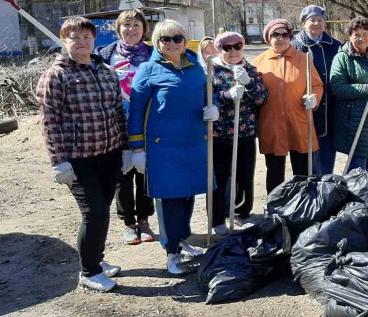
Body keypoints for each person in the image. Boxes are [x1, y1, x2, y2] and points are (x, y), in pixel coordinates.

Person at [37, 17, 128, 292]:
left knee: (103, 210)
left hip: (109, 154)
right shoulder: (56, 75)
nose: (82, 41)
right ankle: (89, 272)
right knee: (95, 213)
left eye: (87, 36)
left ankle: (96, 260)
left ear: (93, 39)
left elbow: (118, 113)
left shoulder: (106, 71)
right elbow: (49, 121)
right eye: (75, 37)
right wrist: (59, 161)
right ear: (64, 40)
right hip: (78, 159)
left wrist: (125, 149)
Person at [127, 19, 216, 275]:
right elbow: (136, 112)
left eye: (177, 38)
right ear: (157, 42)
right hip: (163, 148)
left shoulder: (196, 67)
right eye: (165, 39)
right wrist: (137, 149)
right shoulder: (148, 69)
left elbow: (208, 94)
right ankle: (172, 252)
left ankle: (183, 240)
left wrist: (214, 108)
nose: (172, 44)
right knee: (169, 200)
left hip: (193, 144)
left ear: (185, 40)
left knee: (188, 195)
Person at [96, 9, 156, 246]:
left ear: (144, 30)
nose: (131, 30)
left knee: (145, 174)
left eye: (136, 26)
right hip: (116, 124)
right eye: (126, 25)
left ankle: (144, 220)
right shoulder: (102, 56)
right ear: (118, 27)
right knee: (123, 174)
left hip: (146, 123)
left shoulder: (154, 54)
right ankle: (128, 223)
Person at [252, 19, 323, 193]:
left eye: (285, 34)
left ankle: (302, 207)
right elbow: (253, 91)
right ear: (269, 37)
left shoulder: (303, 59)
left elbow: (316, 85)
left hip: (298, 123)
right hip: (272, 125)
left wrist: (314, 97)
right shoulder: (259, 62)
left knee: (302, 172)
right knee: (275, 170)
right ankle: (275, 206)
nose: (281, 38)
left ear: (290, 37)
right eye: (276, 34)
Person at [209, 31, 268, 235]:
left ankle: (243, 214)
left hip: (245, 133)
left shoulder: (250, 70)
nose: (233, 51)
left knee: (244, 177)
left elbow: (262, 98)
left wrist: (249, 83)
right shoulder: (211, 70)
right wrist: (226, 96)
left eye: (237, 46)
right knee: (220, 179)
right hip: (220, 135)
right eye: (227, 48)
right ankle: (217, 219)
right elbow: (206, 97)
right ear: (220, 49)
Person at [330, 17, 368, 172]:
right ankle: (356, 195)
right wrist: (365, 88)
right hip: (357, 120)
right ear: (349, 36)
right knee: (358, 165)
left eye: (365, 34)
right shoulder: (343, 57)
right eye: (356, 35)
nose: (361, 38)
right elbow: (337, 87)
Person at [292, 5, 341, 175]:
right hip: (304, 109)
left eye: (320, 20)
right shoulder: (295, 47)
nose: (316, 24)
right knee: (307, 162)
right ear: (304, 24)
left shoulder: (335, 46)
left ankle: (326, 192)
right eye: (311, 20)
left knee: (327, 157)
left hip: (330, 110)